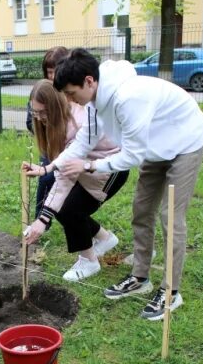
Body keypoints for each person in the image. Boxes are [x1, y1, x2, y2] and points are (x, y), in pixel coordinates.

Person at [49, 48, 203, 321]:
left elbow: (131, 156)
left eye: (71, 92)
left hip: (185, 143)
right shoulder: (93, 102)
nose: (69, 99)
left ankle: (171, 291)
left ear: (89, 81)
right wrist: (50, 166)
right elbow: (84, 141)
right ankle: (140, 277)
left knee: (170, 217)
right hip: (155, 148)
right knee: (142, 211)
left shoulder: (128, 97)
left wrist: (90, 166)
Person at [22, 79, 128, 282]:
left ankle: (89, 262)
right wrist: (45, 170)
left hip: (109, 169)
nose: (39, 118)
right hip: (85, 168)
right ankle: (105, 239)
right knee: (63, 207)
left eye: (43, 113)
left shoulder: (76, 125)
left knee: (69, 209)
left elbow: (64, 178)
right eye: (35, 112)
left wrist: (43, 219)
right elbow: (61, 168)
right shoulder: (55, 121)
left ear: (55, 106)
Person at [26, 46, 69, 218]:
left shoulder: (71, 94)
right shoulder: (40, 93)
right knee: (46, 179)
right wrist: (42, 118)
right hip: (49, 144)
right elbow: (30, 123)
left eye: (55, 71)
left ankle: (45, 218)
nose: (52, 76)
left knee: (61, 186)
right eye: (49, 72)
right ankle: (41, 219)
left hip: (68, 148)